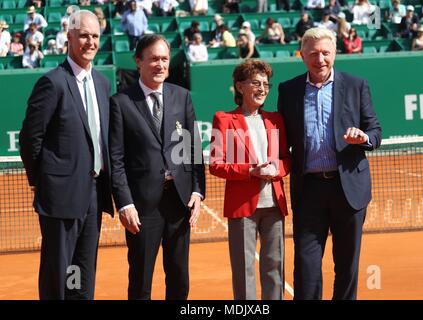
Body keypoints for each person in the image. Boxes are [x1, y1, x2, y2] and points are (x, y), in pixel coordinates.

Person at [277, 27, 382, 300]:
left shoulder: (356, 85)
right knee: (306, 264)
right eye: (313, 54)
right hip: (309, 189)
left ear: (335, 52)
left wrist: (364, 138)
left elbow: (375, 131)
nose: (320, 59)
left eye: (325, 53)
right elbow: (280, 138)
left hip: (348, 187)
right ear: (302, 56)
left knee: (347, 264)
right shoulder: (288, 90)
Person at [19, 10, 113, 300]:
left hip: (94, 195)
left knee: (82, 271)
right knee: (58, 273)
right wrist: (43, 182)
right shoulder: (53, 82)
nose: (90, 41)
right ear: (69, 37)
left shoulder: (102, 83)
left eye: (95, 36)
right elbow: (30, 138)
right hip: (60, 196)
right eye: (84, 35)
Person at [109, 34, 206, 300]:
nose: (160, 65)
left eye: (164, 59)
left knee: (179, 278)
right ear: (138, 61)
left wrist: (197, 192)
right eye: (153, 59)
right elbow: (115, 159)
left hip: (179, 201)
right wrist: (125, 203)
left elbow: (193, 149)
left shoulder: (182, 96)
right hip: (142, 207)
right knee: (140, 281)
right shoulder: (120, 103)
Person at [209, 59, 291, 300]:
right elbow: (216, 164)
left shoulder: (276, 119)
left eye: (266, 84)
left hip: (274, 205)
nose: (262, 88)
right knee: (244, 270)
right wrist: (250, 171)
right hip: (242, 208)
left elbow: (286, 159)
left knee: (275, 267)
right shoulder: (223, 120)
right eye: (255, 83)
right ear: (240, 86)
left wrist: (277, 169)